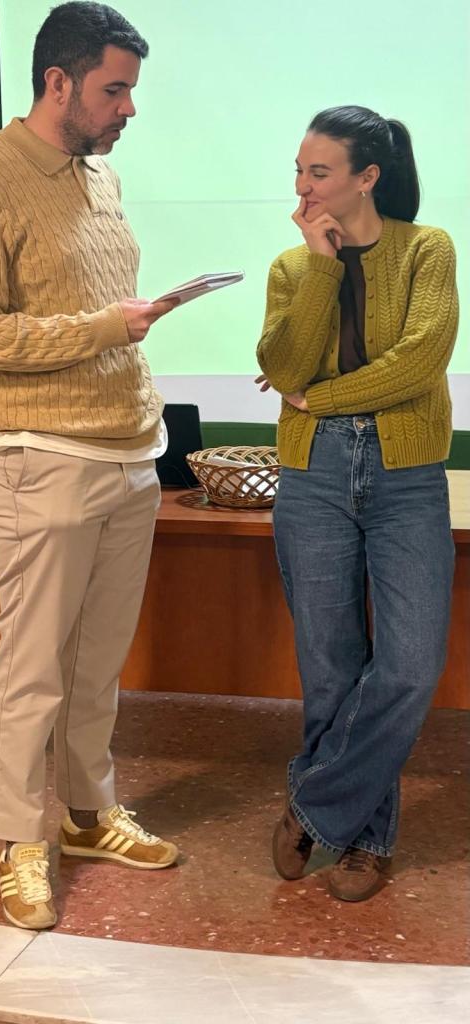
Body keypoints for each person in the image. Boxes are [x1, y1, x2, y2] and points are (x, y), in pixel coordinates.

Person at [0, 1, 180, 931]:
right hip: (43, 457)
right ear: (57, 83)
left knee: (98, 660)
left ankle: (85, 814)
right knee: (32, 665)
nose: (129, 109)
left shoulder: (98, 176)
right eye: (115, 90)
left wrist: (124, 338)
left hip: (129, 452)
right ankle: (17, 842)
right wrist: (104, 329)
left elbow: (97, 304)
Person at [256, 105, 458, 902]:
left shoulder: (427, 249)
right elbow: (282, 363)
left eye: (319, 172)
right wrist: (323, 267)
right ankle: (365, 841)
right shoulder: (292, 265)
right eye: (298, 171)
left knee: (409, 666)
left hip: (407, 473)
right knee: (330, 667)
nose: (301, 187)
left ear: (367, 177)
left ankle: (313, 807)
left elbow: (418, 363)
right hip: (313, 474)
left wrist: (322, 398)